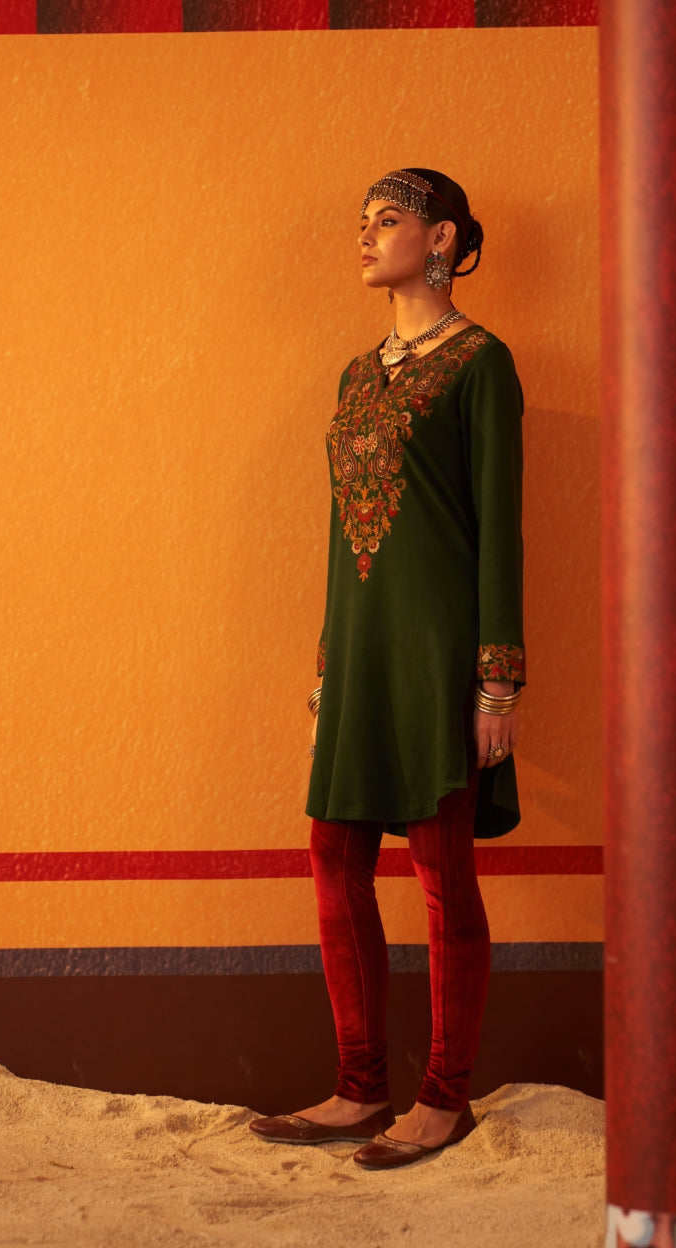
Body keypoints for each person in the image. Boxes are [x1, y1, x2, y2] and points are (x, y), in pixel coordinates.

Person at [249, 167, 525, 1169]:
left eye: (389, 219)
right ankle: (359, 1086)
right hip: (363, 656)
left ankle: (444, 1096)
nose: (366, 236)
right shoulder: (356, 376)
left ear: (441, 237)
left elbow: (500, 530)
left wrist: (496, 681)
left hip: (439, 656)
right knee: (335, 858)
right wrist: (329, 670)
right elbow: (341, 536)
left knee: (442, 872)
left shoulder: (482, 364)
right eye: (361, 221)